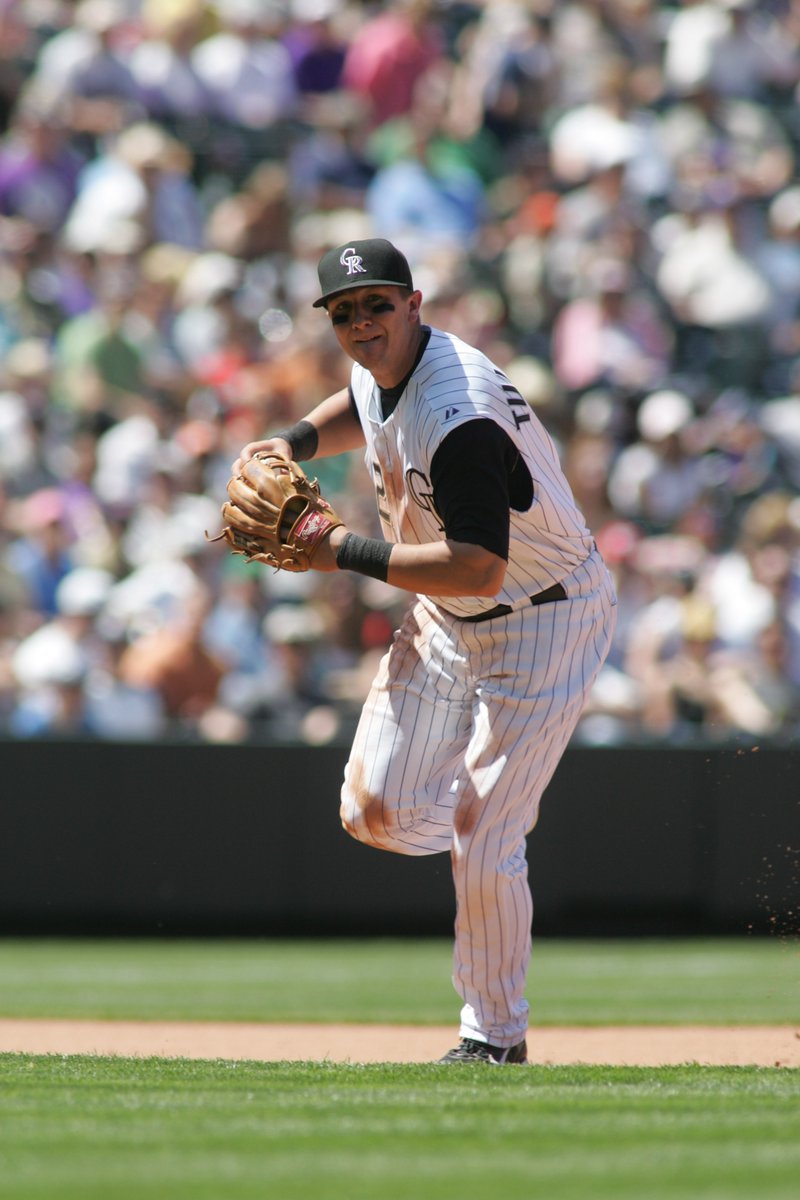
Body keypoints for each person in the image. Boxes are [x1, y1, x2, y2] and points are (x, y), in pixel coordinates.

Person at [234, 237, 617, 1065]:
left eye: (377, 303)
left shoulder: (459, 414)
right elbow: (360, 402)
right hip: (449, 620)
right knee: (376, 813)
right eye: (344, 312)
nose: (361, 323)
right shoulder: (385, 370)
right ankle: (496, 839)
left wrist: (338, 549)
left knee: (482, 832)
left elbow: (480, 562)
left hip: (543, 616)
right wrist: (289, 442)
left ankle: (494, 1036)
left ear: (415, 304)